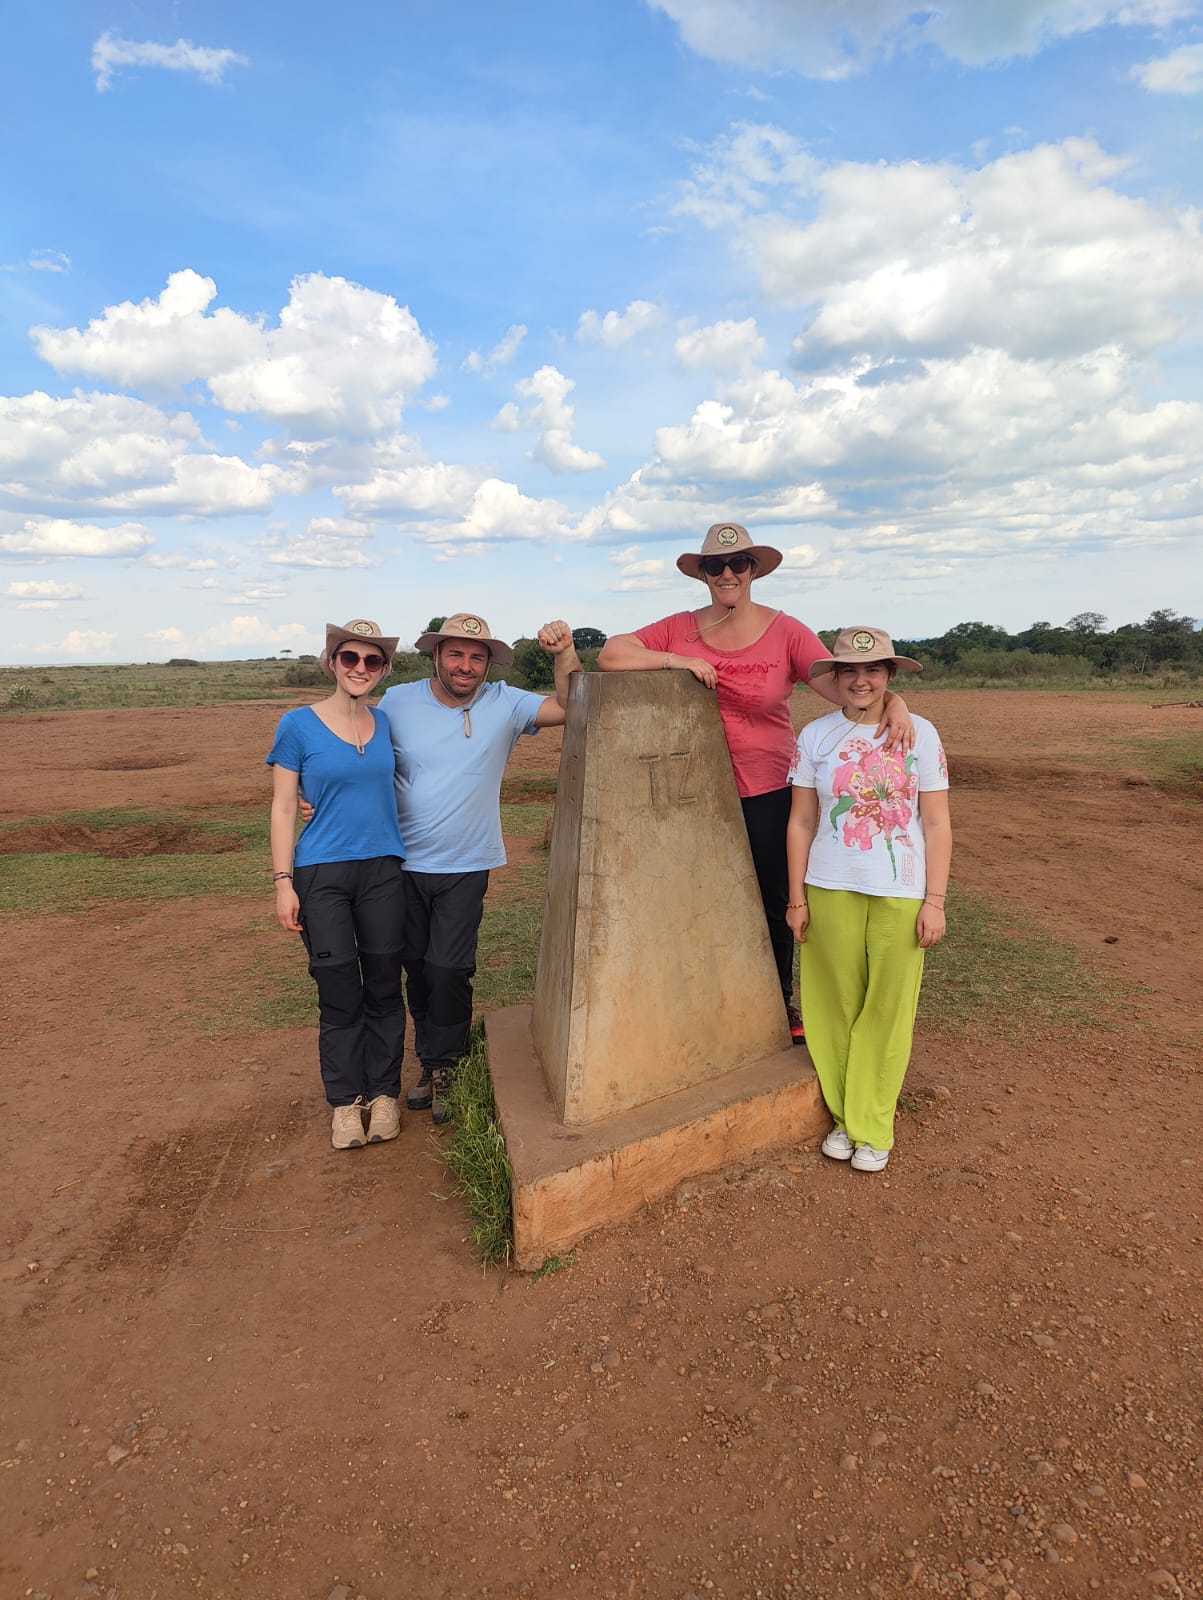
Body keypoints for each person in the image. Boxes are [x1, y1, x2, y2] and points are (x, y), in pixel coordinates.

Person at [597, 523, 913, 1041]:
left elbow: (849, 687)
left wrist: (895, 702)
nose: (727, 573)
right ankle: (701, 998)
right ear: (702, 574)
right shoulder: (679, 630)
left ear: (754, 570)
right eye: (715, 565)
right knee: (694, 893)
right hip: (695, 792)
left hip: (769, 786)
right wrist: (677, 659)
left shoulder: (786, 632)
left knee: (773, 898)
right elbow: (611, 655)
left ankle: (776, 1002)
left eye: (738, 563)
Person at [380, 613, 580, 1123]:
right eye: (455, 654)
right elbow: (364, 757)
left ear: (488, 664)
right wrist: (316, 796)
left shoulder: (505, 702)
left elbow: (569, 706)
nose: (465, 666)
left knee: (449, 967)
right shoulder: (398, 701)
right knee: (416, 965)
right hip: (400, 861)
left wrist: (563, 654)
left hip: (467, 861)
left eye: (476, 657)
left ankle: (444, 1064)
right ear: (436, 655)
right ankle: (432, 1059)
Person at [785, 626, 951, 1173]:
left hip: (900, 889)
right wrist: (796, 898)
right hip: (828, 883)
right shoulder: (815, 736)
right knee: (831, 1006)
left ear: (889, 675)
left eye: (874, 670)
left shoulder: (920, 733)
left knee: (888, 1007)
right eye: (850, 671)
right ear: (835, 676)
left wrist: (935, 900)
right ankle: (843, 1118)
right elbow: (802, 820)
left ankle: (873, 1125)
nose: (861, 681)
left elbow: (936, 821)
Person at [268, 620, 408, 1151]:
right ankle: (346, 1103)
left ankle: (384, 1094)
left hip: (382, 869)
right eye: (350, 658)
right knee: (337, 985)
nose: (360, 668)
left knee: (384, 984)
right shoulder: (297, 725)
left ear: (384, 669)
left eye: (372, 661)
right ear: (331, 662)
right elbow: (285, 806)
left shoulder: (386, 723)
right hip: (322, 872)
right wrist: (283, 882)